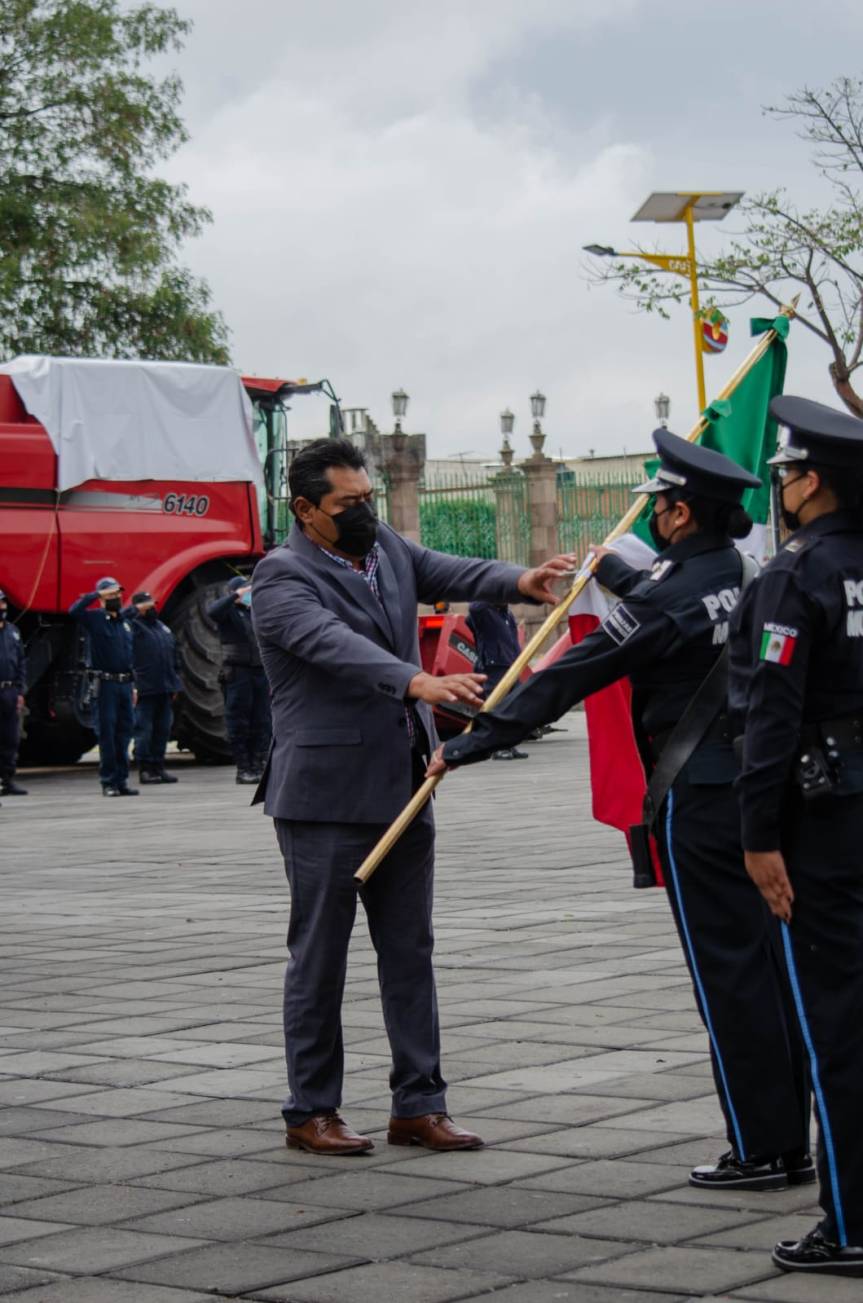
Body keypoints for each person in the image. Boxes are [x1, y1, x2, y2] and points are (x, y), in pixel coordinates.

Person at [429, 429, 813, 1192]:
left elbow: (569, 674)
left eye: (656, 508)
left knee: (725, 977)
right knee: (770, 969)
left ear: (674, 512)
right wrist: (614, 572)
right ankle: (788, 1135)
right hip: (760, 790)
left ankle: (762, 1147)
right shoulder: (745, 570)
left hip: (699, 803)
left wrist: (473, 741)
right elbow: (678, 606)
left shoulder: (668, 596)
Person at [251, 437, 574, 1155]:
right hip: (324, 798)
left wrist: (522, 579)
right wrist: (415, 680)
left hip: (404, 783)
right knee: (319, 956)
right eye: (348, 504)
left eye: (369, 497)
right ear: (306, 510)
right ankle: (311, 1109)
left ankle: (418, 1103)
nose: (365, 511)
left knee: (409, 950)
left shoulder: (383, 548)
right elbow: (329, 642)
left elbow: (450, 568)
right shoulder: (280, 576)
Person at [729, 396, 863, 1277]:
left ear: (808, 481)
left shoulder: (796, 571)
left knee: (840, 1027)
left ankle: (850, 1224)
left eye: (781, 477)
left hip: (826, 820)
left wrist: (756, 834)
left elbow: (769, 714)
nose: (777, 492)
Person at [69, 577, 137, 796]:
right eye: (110, 594)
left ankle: (122, 780)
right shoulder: (96, 619)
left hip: (125, 684)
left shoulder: (125, 622)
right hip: (105, 685)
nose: (116, 597)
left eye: (117, 593)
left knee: (124, 733)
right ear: (101, 598)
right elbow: (74, 611)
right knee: (107, 733)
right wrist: (96, 594)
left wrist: (133, 685)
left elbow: (129, 656)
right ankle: (108, 782)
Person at [207, 575, 271, 784]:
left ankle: (259, 764)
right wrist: (236, 595)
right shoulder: (228, 613)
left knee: (262, 721)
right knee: (239, 720)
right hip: (238, 673)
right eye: (246, 591)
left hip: (259, 672)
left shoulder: (254, 613)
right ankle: (244, 768)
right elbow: (213, 611)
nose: (249, 594)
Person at [126, 591, 181, 785]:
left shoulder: (161, 627)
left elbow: (174, 655)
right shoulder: (133, 627)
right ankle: (145, 769)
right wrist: (135, 610)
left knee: (162, 730)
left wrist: (175, 682)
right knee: (144, 730)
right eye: (147, 604)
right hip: (145, 689)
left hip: (165, 688)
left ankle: (159, 766)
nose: (152, 607)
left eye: (153, 603)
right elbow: (124, 617)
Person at [466, 601, 528, 760]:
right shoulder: (484, 611)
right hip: (495, 665)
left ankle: (509, 744)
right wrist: (491, 588)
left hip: (511, 665)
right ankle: (497, 747)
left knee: (511, 707)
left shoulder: (506, 613)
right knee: (496, 707)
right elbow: (474, 607)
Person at [0, 588, 27, 798]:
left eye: (3, 603)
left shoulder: (13, 631)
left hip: (9, 692)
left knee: (10, 738)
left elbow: (21, 663)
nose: (2, 607)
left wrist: (20, 690)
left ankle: (7, 780)